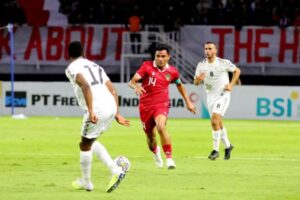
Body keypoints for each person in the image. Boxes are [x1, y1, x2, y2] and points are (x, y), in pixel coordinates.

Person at [65, 41, 130, 192]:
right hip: (110, 106)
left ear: (68, 55)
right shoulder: (96, 66)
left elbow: (85, 85)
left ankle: (96, 179)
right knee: (90, 142)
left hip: (98, 108)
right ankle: (96, 177)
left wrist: (91, 110)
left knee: (84, 145)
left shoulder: (72, 68)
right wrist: (117, 113)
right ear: (83, 52)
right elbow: (113, 90)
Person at [128, 44, 196, 169]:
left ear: (168, 57)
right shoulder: (146, 66)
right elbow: (132, 81)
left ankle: (169, 159)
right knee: (150, 139)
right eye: (157, 56)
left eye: (163, 56)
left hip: (161, 105)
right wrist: (136, 86)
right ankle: (155, 152)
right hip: (145, 107)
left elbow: (179, 85)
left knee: (160, 126)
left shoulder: (173, 72)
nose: (159, 59)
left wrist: (188, 101)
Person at [194, 41, 241, 160]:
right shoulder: (201, 65)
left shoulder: (223, 63)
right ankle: (228, 146)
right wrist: (198, 80)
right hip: (210, 97)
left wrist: (231, 85)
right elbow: (196, 83)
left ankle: (215, 150)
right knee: (218, 123)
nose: (207, 51)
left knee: (214, 120)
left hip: (223, 95)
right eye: (206, 49)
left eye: (210, 48)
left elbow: (237, 71)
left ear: (215, 50)